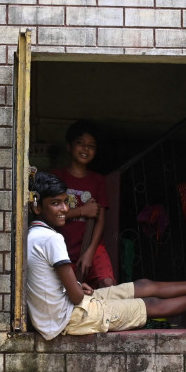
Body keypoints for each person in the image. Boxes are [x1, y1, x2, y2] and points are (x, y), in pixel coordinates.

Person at [26, 171, 186, 340]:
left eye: (65, 202)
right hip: (71, 317)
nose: (64, 209)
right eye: (55, 203)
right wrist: (77, 289)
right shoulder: (51, 239)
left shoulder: (33, 234)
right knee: (151, 304)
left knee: (144, 285)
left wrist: (78, 286)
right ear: (37, 206)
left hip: (64, 311)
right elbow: (77, 297)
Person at [51, 120, 116, 288]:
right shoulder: (57, 177)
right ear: (69, 147)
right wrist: (82, 211)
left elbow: (100, 220)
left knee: (107, 284)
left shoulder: (97, 180)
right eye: (80, 144)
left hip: (92, 247)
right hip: (62, 245)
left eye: (91, 146)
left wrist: (89, 252)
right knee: (68, 291)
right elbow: (50, 215)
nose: (86, 149)